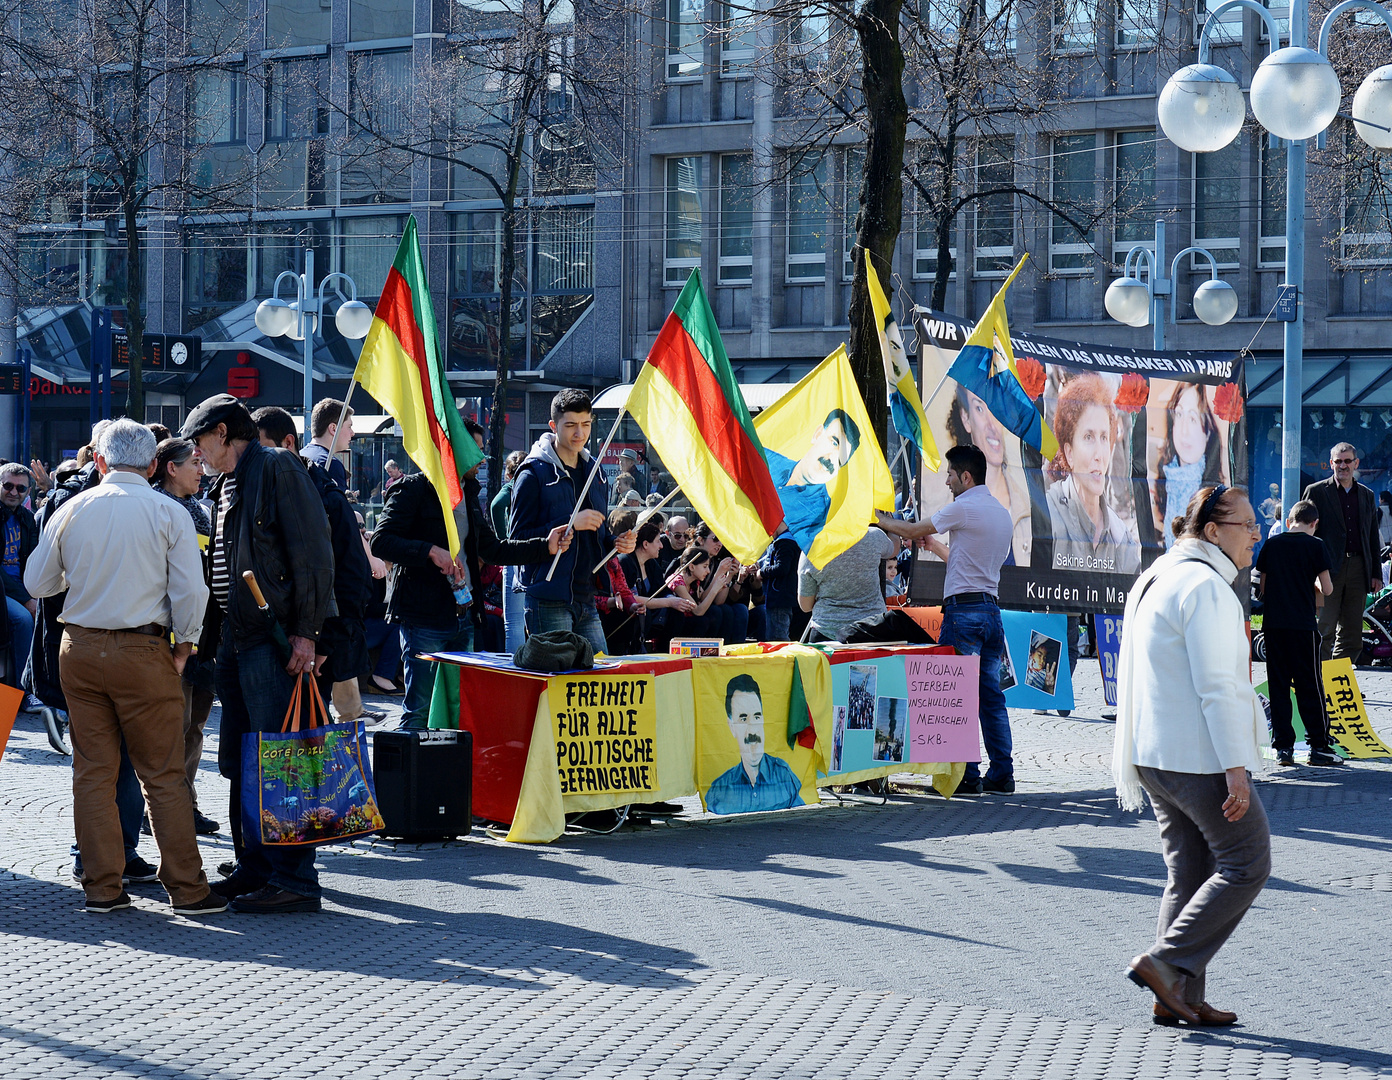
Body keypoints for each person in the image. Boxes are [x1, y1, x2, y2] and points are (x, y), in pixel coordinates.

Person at [23, 420, 224, 916]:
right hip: (145, 649)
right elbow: (191, 592)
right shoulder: (168, 512)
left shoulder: (71, 508)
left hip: (82, 648)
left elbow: (38, 583)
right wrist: (186, 646)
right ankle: (187, 889)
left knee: (92, 772)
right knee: (163, 773)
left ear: (100, 461)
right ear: (154, 464)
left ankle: (102, 887)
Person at [1114, 484, 1269, 1028]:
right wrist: (1236, 769)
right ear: (1211, 532)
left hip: (1153, 751)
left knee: (1191, 871)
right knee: (1248, 860)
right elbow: (1218, 687)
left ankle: (1177, 994)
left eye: (1256, 523)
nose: (1256, 533)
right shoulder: (1204, 586)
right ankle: (1165, 963)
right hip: (1195, 755)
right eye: (1246, 524)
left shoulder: (1161, 574)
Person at [182, 394, 336, 914]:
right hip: (239, 639)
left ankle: (294, 879)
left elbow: (313, 552)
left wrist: (306, 633)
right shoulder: (229, 482)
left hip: (272, 642)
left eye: (200, 440)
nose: (196, 452)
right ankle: (254, 866)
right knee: (243, 761)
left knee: (280, 761)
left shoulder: (275, 466)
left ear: (223, 433)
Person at [373, 425, 577, 728]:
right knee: (419, 708)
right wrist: (430, 550)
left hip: (463, 616)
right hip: (424, 617)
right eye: (475, 449)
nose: (481, 458)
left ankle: (446, 771)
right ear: (452, 452)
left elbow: (493, 548)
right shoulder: (414, 488)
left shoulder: (468, 495)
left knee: (456, 708)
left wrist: (544, 546)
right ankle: (410, 772)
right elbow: (380, 541)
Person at [878, 443, 1014, 795]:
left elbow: (908, 531)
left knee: (959, 696)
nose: (948, 481)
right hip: (990, 611)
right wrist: (936, 547)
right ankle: (1002, 774)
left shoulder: (963, 507)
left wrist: (878, 519)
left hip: (963, 613)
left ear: (966, 477)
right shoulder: (1000, 512)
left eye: (951, 474)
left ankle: (967, 777)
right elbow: (967, 560)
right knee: (991, 697)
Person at [253, 406, 374, 726]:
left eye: (262, 448)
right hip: (277, 642)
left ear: (288, 443)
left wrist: (322, 642)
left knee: (310, 739)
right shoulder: (260, 488)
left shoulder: (321, 485)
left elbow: (343, 574)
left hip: (315, 643)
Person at [510, 389, 634, 654]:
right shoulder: (532, 474)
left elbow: (597, 536)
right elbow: (516, 540)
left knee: (599, 680)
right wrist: (569, 523)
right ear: (553, 426)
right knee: (557, 684)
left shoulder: (596, 471)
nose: (580, 433)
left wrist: (617, 543)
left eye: (586, 424)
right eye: (570, 425)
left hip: (586, 596)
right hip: (547, 598)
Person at [151, 438, 220, 836]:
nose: (202, 469)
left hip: (203, 636)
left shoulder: (204, 512)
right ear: (170, 468)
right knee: (173, 726)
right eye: (194, 462)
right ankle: (162, 808)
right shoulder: (158, 510)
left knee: (195, 725)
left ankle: (187, 801)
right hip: (171, 639)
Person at [1255, 500, 1340, 767]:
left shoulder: (1272, 544)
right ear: (1314, 523)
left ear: (1289, 521)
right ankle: (1318, 745)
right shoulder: (1316, 545)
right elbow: (1327, 589)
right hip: (1303, 626)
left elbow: (1262, 586)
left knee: (1278, 687)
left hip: (1274, 625)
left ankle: (1283, 748)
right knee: (1310, 686)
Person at [1047, 374, 1140, 576]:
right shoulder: (1046, 516)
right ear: (1069, 453)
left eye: (1104, 437)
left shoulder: (1121, 537)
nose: (1099, 455)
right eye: (1088, 437)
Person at [1301, 442, 1381, 660]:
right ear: (1331, 464)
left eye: (1347, 461)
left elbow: (1372, 536)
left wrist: (1375, 573)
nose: (1343, 466)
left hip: (1358, 569)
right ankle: (1319, 684)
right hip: (1326, 570)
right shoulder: (1315, 492)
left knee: (1352, 632)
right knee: (1324, 628)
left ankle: (1340, 687)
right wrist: (1311, 571)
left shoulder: (1366, 495)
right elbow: (1305, 534)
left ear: (1356, 463)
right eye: (1338, 461)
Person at [946, 387, 1031, 565]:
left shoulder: (1029, 507)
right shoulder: (945, 507)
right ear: (965, 418)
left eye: (997, 410)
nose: (992, 424)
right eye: (980, 409)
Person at [704, 674, 803, 815]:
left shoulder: (784, 775)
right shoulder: (720, 788)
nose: (752, 729)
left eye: (756, 717)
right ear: (731, 726)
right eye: (743, 719)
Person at [764, 409, 861, 552]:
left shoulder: (820, 517)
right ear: (817, 434)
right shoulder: (765, 459)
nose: (831, 459)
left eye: (840, 460)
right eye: (834, 442)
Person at [797, 526, 896, 643]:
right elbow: (893, 549)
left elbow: (806, 606)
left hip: (827, 632)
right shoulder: (875, 536)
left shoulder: (811, 548)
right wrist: (888, 521)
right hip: (873, 629)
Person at [1154, 383, 1224, 549]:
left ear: (1207, 433)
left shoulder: (1217, 496)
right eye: (1179, 415)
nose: (1183, 430)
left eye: (1193, 418)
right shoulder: (1166, 477)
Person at [1, 462, 39, 699]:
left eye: (21, 488)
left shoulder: (27, 518)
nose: (14, 492)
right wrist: (27, 599)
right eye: (8, 485)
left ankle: (43, 688)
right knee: (24, 619)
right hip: (4, 590)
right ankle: (23, 693)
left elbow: (35, 559)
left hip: (23, 587)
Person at [489, 450, 528, 653]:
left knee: (513, 621)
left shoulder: (511, 487)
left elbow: (496, 505)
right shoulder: (536, 484)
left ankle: (516, 671)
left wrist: (503, 539)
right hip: (538, 555)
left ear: (508, 473)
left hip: (514, 555)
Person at [758, 528, 804, 642]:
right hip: (780, 597)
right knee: (776, 635)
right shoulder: (788, 540)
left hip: (779, 598)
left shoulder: (784, 542)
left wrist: (762, 572)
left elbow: (782, 568)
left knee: (777, 638)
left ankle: (780, 659)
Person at [302, 398, 353, 489]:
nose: (353, 433)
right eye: (349, 427)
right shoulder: (331, 465)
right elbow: (338, 502)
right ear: (333, 428)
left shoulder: (298, 456)